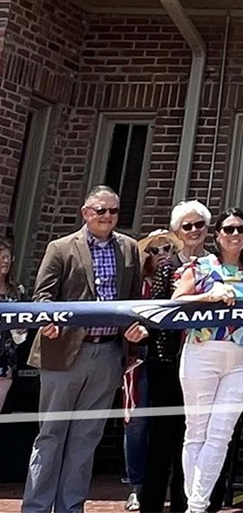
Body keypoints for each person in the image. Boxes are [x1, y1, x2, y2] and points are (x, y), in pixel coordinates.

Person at [23, 186, 148, 513]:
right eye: (100, 211)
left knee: (85, 439)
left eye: (113, 211)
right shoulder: (61, 248)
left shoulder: (130, 249)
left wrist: (135, 329)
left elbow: (134, 302)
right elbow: (43, 297)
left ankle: (71, 507)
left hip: (107, 354)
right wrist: (48, 321)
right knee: (51, 435)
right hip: (63, 353)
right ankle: (36, 507)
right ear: (85, 213)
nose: (107, 217)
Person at [171, 208, 243, 513]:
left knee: (222, 432)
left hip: (241, 358)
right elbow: (175, 301)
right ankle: (197, 505)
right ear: (217, 236)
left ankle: (196, 505)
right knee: (197, 431)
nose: (235, 235)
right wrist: (208, 296)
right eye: (228, 230)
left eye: (240, 229)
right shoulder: (200, 267)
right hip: (202, 352)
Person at [136, 228, 188, 513]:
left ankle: (182, 502)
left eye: (167, 249)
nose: (162, 255)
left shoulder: (200, 268)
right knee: (157, 435)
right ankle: (150, 501)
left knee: (186, 435)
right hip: (161, 360)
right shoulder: (164, 272)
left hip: (191, 360)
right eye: (155, 251)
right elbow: (156, 314)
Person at [0, 238, 27, 414]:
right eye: (1, 256)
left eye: (8, 257)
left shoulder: (17, 291)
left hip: (4, 361)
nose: (5, 261)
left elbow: (22, 328)